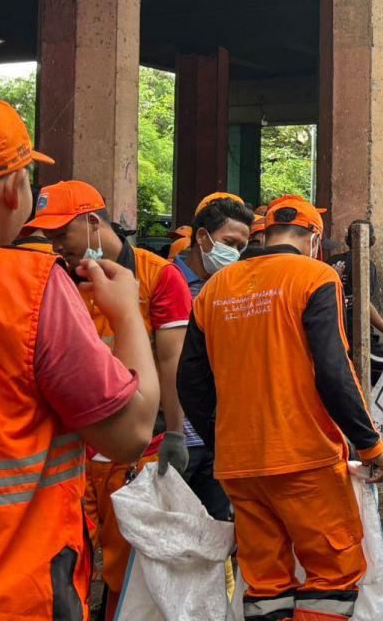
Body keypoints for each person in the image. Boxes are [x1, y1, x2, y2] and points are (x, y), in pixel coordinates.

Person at [178, 195, 383, 621]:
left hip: (239, 465)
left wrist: (222, 437)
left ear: (264, 234)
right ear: (313, 238)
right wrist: (370, 445)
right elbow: (335, 372)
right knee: (332, 577)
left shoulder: (216, 288)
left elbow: (190, 381)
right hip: (303, 458)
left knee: (266, 582)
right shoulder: (315, 277)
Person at [0, 100, 160, 618]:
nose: (54, 245)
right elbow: (129, 432)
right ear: (11, 190)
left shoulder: (166, 274)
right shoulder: (29, 287)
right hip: (21, 585)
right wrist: (129, 314)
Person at [27, 178, 193, 617]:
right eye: (48, 237)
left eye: (63, 234)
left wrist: (175, 432)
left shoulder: (159, 277)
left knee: (129, 564)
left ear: (93, 222)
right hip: (76, 451)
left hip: (139, 448)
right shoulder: (55, 279)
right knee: (73, 555)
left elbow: (171, 360)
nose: (57, 245)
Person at [171, 192, 255, 522]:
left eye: (241, 247)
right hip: (174, 439)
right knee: (170, 538)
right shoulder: (166, 282)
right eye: (229, 242)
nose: (234, 253)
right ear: (202, 237)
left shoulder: (232, 289)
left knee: (221, 535)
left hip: (220, 439)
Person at [328, 220, 383, 384]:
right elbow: (363, 304)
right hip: (357, 336)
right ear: (373, 241)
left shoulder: (330, 262)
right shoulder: (365, 265)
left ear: (347, 240)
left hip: (332, 335)